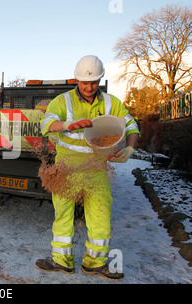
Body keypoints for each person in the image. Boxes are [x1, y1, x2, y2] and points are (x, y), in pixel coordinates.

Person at [36, 55, 140, 280]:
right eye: (85, 82)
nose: (90, 87)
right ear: (77, 79)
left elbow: (131, 125)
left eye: (94, 82)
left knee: (101, 215)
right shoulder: (62, 101)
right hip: (66, 167)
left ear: (101, 79)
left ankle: (95, 263)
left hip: (96, 168)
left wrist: (130, 149)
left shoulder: (112, 103)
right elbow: (45, 123)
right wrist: (66, 125)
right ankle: (61, 261)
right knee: (63, 214)